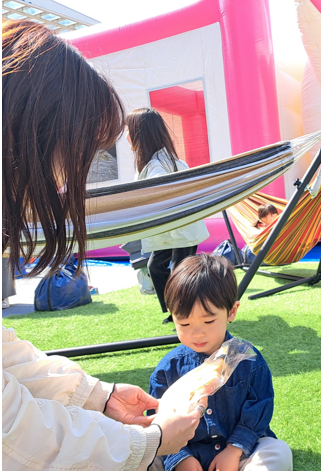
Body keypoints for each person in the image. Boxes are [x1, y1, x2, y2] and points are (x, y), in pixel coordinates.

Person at [2, 19, 203, 470]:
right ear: (33, 134)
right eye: (78, 153)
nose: (66, 176)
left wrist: (99, 395)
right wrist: (148, 444)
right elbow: (11, 429)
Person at [149, 254, 292, 471]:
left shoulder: (247, 358)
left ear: (231, 311)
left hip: (239, 454)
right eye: (184, 323)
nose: (197, 333)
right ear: (172, 315)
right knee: (138, 456)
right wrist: (179, 458)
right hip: (185, 454)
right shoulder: (168, 369)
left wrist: (234, 450)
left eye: (208, 320)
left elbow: (259, 406)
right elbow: (157, 420)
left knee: (278, 452)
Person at [129, 108, 211, 316]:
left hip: (182, 229)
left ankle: (184, 313)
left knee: (179, 271)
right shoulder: (157, 161)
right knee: (156, 267)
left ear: (139, 135)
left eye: (129, 132)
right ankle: (173, 311)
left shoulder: (159, 164)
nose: (127, 138)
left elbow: (161, 188)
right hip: (172, 229)